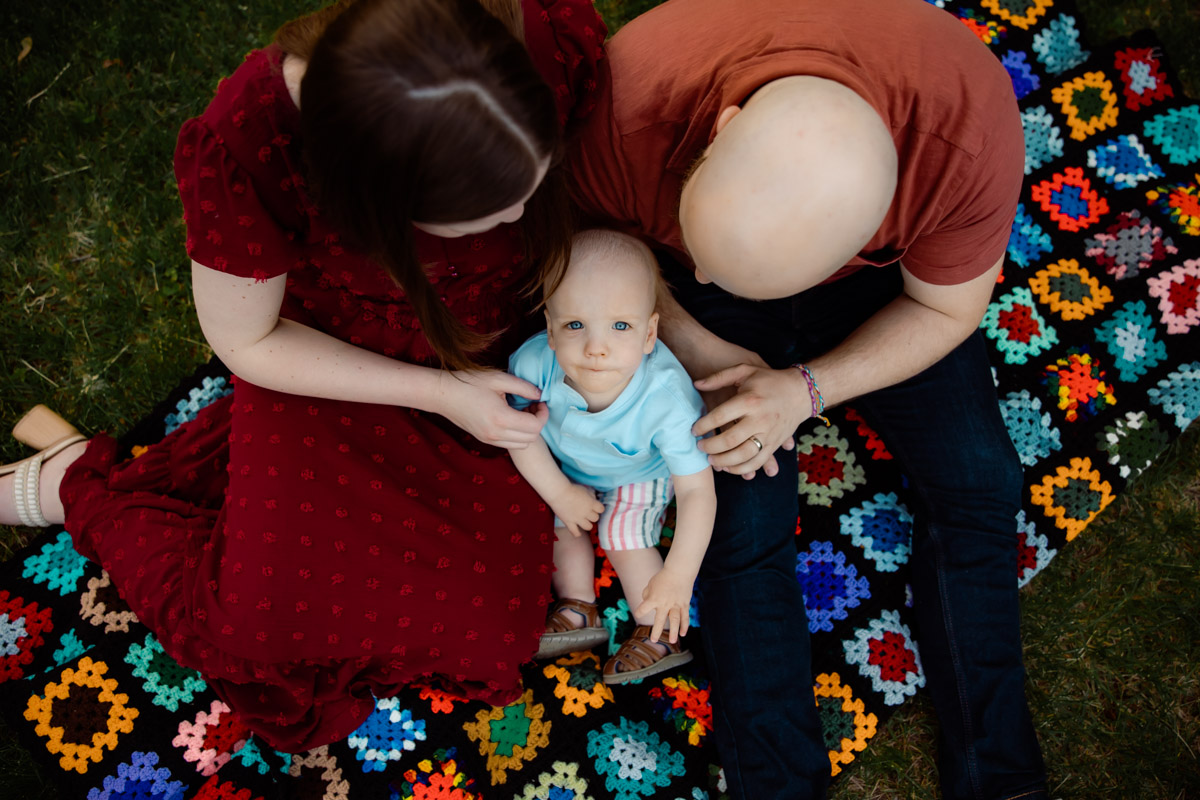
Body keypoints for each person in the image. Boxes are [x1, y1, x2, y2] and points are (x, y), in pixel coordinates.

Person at [0, 0, 606, 753]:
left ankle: (195, 470)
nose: (522, 211)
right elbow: (248, 341)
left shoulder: (539, 38)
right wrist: (443, 394)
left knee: (488, 630)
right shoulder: (251, 142)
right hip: (341, 371)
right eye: (486, 211)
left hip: (501, 359)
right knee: (260, 637)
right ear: (374, 208)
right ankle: (76, 489)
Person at [566, 0, 1047, 798]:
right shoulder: (628, 104)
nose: (729, 281)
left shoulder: (965, 135)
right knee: (737, 523)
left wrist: (806, 390)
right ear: (718, 130)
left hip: (878, 293)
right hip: (676, 291)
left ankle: (1002, 779)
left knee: (980, 484)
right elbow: (577, 242)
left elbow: (947, 310)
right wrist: (692, 335)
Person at [506, 229, 716, 683]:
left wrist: (679, 574)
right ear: (549, 328)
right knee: (554, 519)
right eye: (575, 325)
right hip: (567, 468)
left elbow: (698, 490)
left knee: (621, 532)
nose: (596, 347)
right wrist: (560, 492)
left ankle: (659, 628)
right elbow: (518, 435)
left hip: (641, 473)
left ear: (649, 334)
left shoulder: (667, 399)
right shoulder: (532, 364)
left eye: (620, 326)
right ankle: (579, 606)